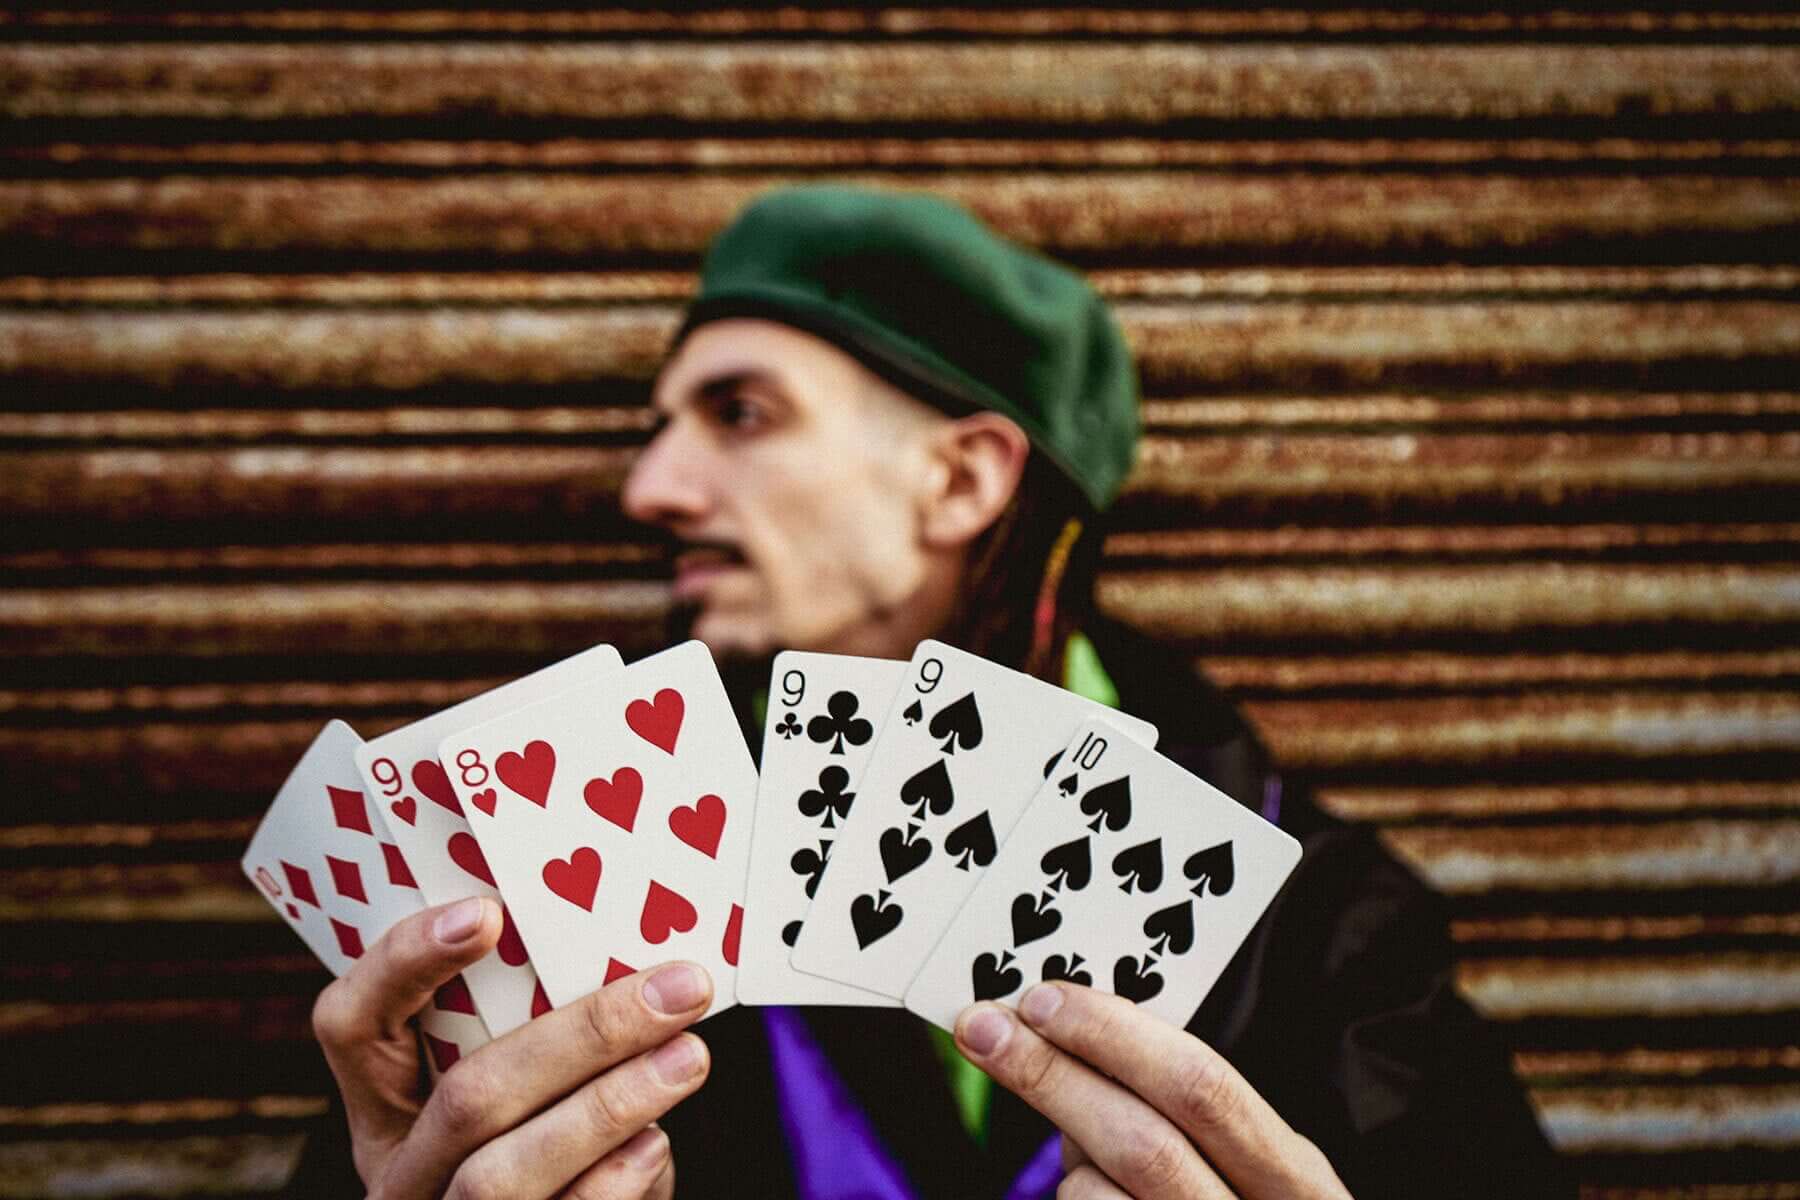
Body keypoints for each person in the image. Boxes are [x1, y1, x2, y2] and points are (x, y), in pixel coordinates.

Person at [290, 186, 1571, 1198]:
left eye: (739, 414)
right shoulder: (572, 881)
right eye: (659, 423)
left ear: (962, 483)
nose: (650, 490)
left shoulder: (1329, 932)